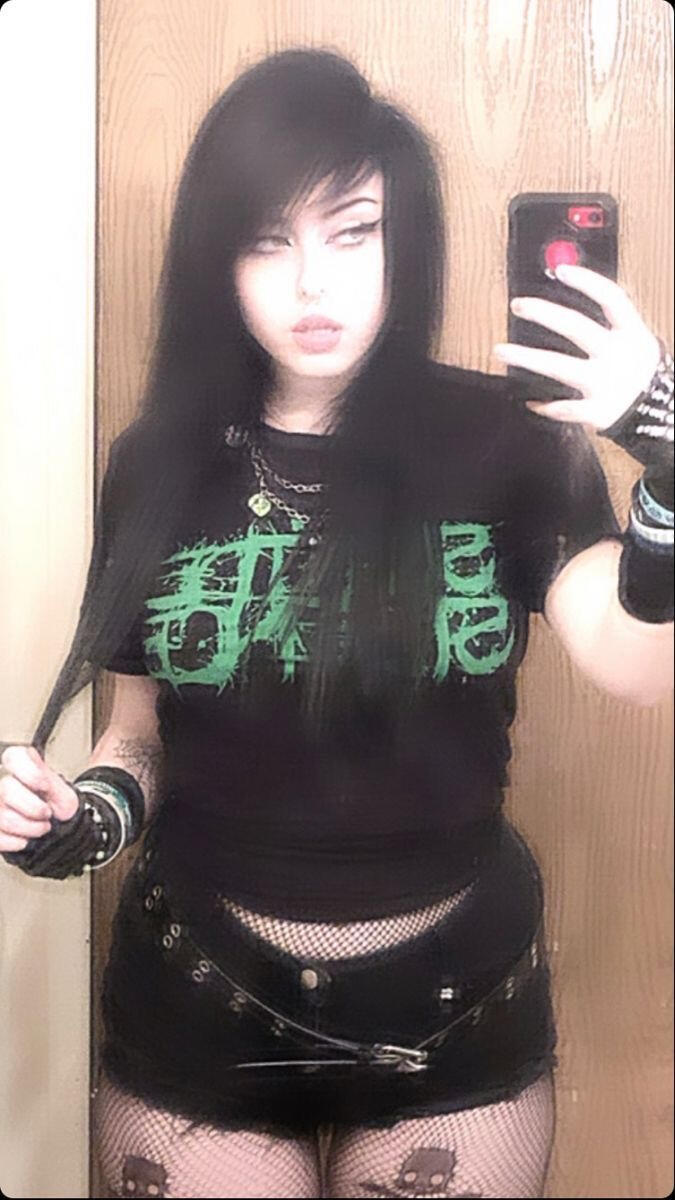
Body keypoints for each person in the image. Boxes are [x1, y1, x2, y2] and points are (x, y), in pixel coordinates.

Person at [1, 46, 672, 1200]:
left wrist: (666, 460)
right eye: (269, 240)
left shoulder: (508, 442)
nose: (313, 283)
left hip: (455, 1013)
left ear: (404, 243)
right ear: (218, 258)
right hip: (201, 1001)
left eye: (352, 233)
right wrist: (86, 820)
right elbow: (138, 740)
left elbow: (636, 664)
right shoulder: (156, 463)